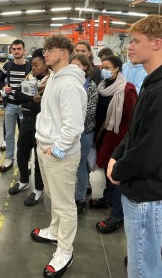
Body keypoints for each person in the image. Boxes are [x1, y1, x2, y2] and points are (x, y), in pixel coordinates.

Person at [107, 15, 162, 278]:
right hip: (147, 192)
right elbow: (135, 132)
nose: (129, 47)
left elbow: (148, 153)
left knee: (143, 270)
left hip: (150, 196)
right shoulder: (155, 83)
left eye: (136, 41)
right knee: (143, 264)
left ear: (157, 44)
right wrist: (115, 156)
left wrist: (119, 172)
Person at [30, 35, 86, 278]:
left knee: (65, 204)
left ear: (64, 53)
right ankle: (54, 231)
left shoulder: (70, 84)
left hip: (59, 153)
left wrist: (57, 148)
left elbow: (73, 127)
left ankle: (65, 250)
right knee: (54, 197)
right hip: (46, 147)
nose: (45, 54)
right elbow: (50, 113)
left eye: (50, 50)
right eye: (45, 49)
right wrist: (41, 136)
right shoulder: (54, 77)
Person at [90, 55, 137, 233]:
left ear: (117, 68)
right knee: (107, 172)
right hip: (104, 135)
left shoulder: (127, 90)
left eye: (107, 67)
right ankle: (108, 198)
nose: (104, 70)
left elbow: (131, 119)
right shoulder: (103, 87)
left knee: (116, 175)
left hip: (119, 137)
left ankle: (117, 215)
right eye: (102, 66)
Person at [9, 48, 51, 206]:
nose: (32, 68)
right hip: (26, 121)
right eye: (32, 65)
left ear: (45, 65)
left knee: (39, 159)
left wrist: (29, 101)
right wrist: (32, 99)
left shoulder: (51, 81)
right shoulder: (29, 78)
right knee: (22, 152)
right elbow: (17, 95)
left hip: (41, 124)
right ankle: (24, 180)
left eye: (36, 65)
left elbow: (44, 103)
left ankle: (39, 190)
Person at [69, 53, 98, 214]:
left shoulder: (91, 86)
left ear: (85, 67)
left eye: (78, 65)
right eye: (71, 65)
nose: (74, 69)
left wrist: (72, 124)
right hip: (68, 133)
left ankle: (79, 199)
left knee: (80, 166)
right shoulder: (68, 84)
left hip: (84, 133)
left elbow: (90, 112)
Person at [0, 39, 31, 172]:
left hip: (25, 106)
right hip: (10, 105)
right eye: (14, 49)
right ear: (11, 50)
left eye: (19, 49)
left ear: (24, 50)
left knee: (25, 136)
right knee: (9, 134)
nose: (16, 51)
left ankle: (26, 160)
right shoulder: (7, 66)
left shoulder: (29, 66)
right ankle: (10, 158)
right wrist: (3, 87)